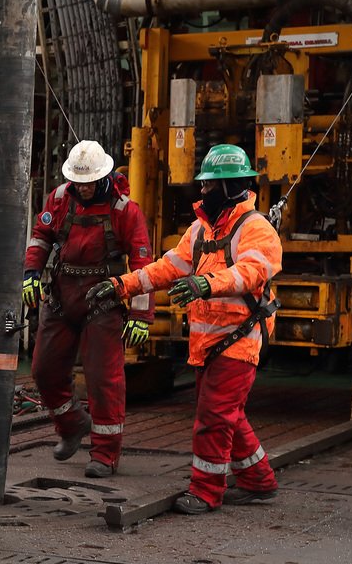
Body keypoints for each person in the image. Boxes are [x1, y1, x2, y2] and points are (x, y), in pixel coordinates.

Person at [86, 143, 281, 514]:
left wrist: (207, 283)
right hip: (210, 341)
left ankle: (206, 491)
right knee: (227, 413)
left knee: (215, 416)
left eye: (209, 186)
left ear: (229, 186)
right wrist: (121, 285)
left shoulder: (257, 229)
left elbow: (253, 272)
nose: (202, 191)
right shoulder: (200, 230)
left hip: (239, 340)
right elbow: (167, 267)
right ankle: (259, 481)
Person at [23, 140, 155, 478]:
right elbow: (41, 235)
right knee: (43, 370)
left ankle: (105, 454)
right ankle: (71, 424)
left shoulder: (125, 211)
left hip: (103, 301)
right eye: (77, 181)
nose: (81, 187)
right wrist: (30, 274)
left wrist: (141, 316)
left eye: (88, 182)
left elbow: (143, 266)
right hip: (61, 296)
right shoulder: (59, 198)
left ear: (103, 177)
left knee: (103, 380)